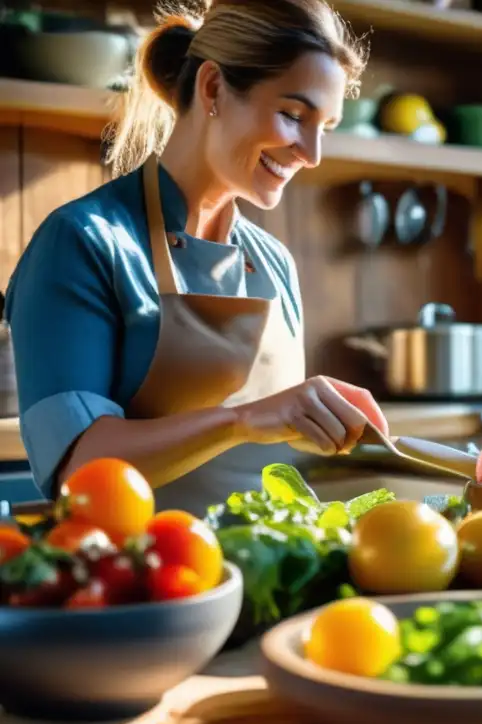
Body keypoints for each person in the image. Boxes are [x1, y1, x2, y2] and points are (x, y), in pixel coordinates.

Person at [4, 0, 390, 515]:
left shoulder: (275, 263)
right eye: (293, 115)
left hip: (277, 574)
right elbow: (77, 466)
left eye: (328, 126)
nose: (312, 154)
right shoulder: (83, 243)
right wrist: (242, 421)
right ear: (212, 89)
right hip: (147, 581)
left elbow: (281, 460)